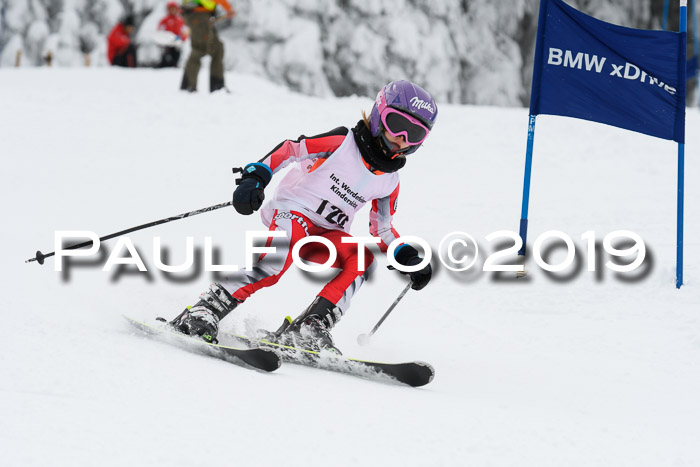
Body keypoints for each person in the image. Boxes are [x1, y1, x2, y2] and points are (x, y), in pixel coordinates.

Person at [170, 80, 438, 353]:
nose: (402, 138)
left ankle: (310, 327)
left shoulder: (390, 182)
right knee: (275, 264)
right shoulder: (343, 142)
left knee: (362, 259)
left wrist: (406, 256)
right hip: (293, 212)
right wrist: (256, 177)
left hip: (327, 233)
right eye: (397, 124)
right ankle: (204, 311)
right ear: (379, 115)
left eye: (414, 134)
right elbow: (291, 149)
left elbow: (382, 230)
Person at [180, 0, 236, 92]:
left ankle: (217, 87)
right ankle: (188, 86)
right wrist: (229, 9)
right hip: (198, 15)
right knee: (199, 48)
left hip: (202, 15)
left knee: (217, 49)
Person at [157, 2, 189, 68]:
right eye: (171, 9)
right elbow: (160, 32)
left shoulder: (180, 20)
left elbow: (185, 32)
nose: (172, 10)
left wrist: (181, 38)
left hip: (177, 44)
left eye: (174, 9)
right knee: (166, 60)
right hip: (166, 45)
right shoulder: (164, 20)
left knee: (176, 59)